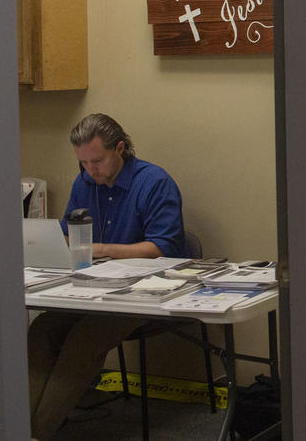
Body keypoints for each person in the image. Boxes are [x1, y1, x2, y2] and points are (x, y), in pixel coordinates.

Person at [29, 113, 188, 440]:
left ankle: (37, 431)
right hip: (90, 287)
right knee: (42, 328)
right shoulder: (84, 182)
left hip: (140, 294)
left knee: (85, 337)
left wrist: (100, 248)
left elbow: (164, 247)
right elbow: (67, 235)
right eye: (84, 163)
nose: (91, 170)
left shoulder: (154, 182)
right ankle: (17, 424)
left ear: (121, 148)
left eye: (97, 161)